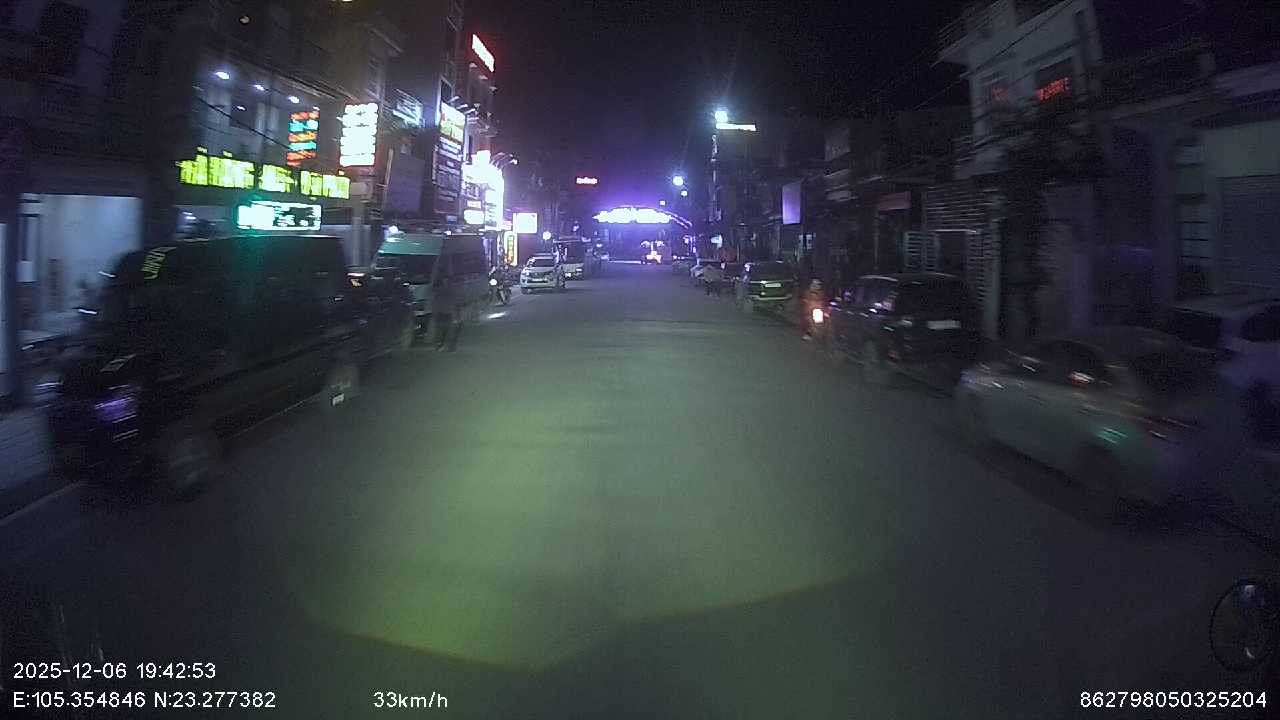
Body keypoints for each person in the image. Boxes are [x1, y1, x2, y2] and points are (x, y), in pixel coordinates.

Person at [433, 277, 463, 352]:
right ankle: (449, 346)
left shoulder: (440, 291)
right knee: (449, 331)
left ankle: (444, 345)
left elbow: (457, 303)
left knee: (444, 331)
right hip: (447, 313)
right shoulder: (453, 291)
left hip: (445, 313)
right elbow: (458, 303)